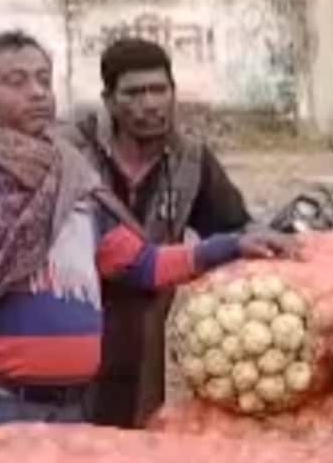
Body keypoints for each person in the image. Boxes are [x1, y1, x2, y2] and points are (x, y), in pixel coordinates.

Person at [0, 31, 288, 428]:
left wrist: (235, 245)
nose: (38, 92)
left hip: (76, 408)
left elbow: (143, 264)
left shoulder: (70, 174)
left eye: (44, 78)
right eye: (16, 81)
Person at [72, 36, 253, 427]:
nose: (150, 104)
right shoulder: (73, 154)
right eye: (134, 93)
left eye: (160, 90)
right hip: (76, 324)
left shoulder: (193, 160)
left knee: (138, 445)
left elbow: (234, 231)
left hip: (147, 331)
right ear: (109, 100)